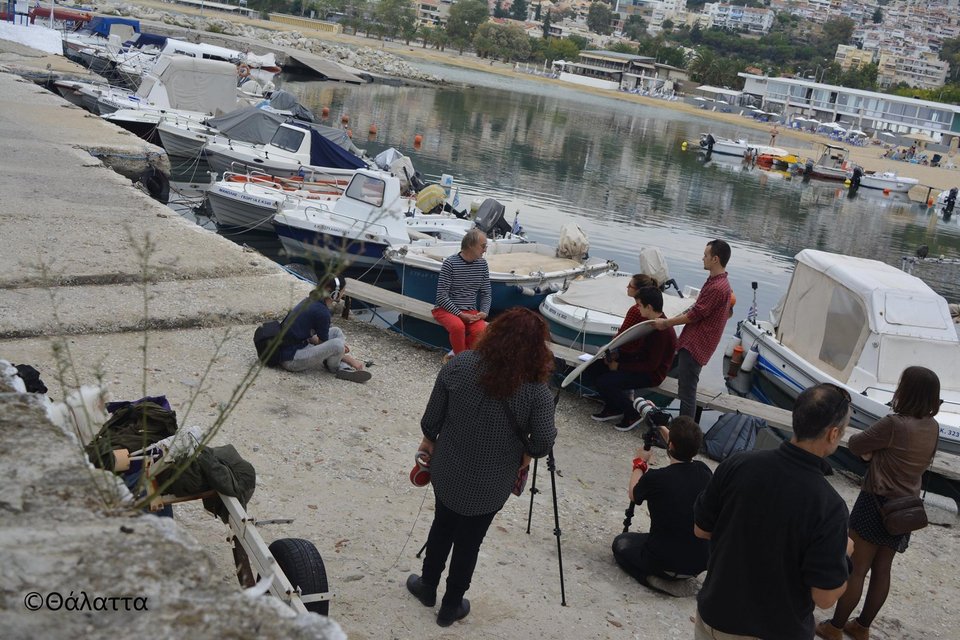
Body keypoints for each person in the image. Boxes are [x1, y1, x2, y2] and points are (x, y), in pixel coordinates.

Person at [406, 308, 557, 627]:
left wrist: (428, 445)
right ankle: (450, 607)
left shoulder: (459, 364)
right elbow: (542, 444)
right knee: (469, 542)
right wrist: (529, 450)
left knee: (442, 525)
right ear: (536, 348)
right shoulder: (536, 392)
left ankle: (427, 587)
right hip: (492, 481)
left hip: (448, 468)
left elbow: (431, 421)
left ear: (494, 334)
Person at [693, 383, 853, 640]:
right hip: (771, 629)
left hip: (714, 615)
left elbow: (701, 529)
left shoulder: (738, 464)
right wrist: (844, 555)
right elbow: (824, 597)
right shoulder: (828, 505)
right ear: (833, 434)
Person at [815, 367, 941, 640]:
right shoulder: (933, 426)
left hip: (877, 501)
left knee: (857, 568)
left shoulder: (894, 424)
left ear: (906, 391)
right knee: (883, 569)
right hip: (906, 506)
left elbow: (858, 444)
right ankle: (861, 626)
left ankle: (835, 627)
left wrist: (874, 453)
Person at [611, 416, 712, 596]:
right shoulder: (704, 471)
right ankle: (680, 578)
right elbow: (681, 445)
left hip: (664, 562)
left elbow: (634, 494)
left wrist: (640, 463)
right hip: (699, 562)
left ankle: (654, 579)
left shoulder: (656, 478)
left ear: (670, 445)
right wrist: (661, 427)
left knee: (621, 543)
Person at [652, 240, 732, 420]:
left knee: (687, 393)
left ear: (715, 259)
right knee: (680, 384)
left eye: (706, 255)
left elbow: (695, 314)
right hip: (694, 343)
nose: (702, 258)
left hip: (696, 345)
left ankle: (682, 437)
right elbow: (699, 309)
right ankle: (678, 428)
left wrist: (666, 323)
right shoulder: (717, 282)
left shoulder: (718, 288)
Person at [591, 286, 678, 431]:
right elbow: (641, 353)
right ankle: (614, 407)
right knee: (595, 368)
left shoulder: (661, 331)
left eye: (639, 305)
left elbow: (651, 365)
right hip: (641, 366)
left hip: (652, 375)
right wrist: (618, 356)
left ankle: (633, 413)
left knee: (605, 382)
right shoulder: (652, 324)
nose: (637, 309)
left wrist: (619, 366)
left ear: (649, 307)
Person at [277, 277, 371, 383]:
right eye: (343, 290)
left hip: (291, 347)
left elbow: (309, 336)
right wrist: (349, 359)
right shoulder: (322, 312)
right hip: (291, 359)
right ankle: (338, 368)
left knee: (336, 332)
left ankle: (337, 363)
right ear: (335, 293)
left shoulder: (311, 300)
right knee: (337, 345)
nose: (344, 293)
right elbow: (324, 344)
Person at [432, 229, 491, 361]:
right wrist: (459, 314)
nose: (485, 250)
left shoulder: (482, 264)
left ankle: (458, 354)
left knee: (482, 331)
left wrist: (484, 312)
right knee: (458, 327)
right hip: (444, 309)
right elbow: (442, 296)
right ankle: (460, 362)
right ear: (470, 245)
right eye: (483, 246)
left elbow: (486, 292)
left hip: (470, 310)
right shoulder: (450, 263)